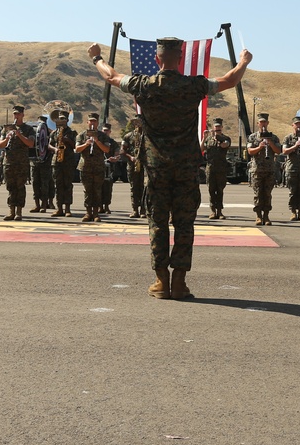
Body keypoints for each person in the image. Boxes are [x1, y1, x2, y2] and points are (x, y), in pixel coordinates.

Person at [91, 38, 251, 300]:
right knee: (184, 224)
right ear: (179, 58)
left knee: (158, 223)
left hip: (156, 169)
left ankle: (161, 281)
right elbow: (230, 80)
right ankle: (179, 282)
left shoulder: (143, 84)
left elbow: (111, 77)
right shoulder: (193, 85)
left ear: (157, 59)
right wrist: (244, 61)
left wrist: (97, 58)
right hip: (186, 168)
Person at [0, 104, 36, 221]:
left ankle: (19, 211)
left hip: (21, 163)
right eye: (15, 114)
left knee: (20, 186)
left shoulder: (28, 129)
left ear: (23, 115)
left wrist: (20, 135)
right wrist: (8, 138)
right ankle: (11, 210)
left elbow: (31, 144)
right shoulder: (6, 128)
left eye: (18, 114)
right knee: (10, 187)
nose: (16, 116)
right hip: (9, 162)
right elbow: (0, 145)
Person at [246, 113, 281, 226]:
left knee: (267, 194)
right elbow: (250, 151)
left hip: (269, 170)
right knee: (257, 193)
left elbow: (278, 151)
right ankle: (258, 216)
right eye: (261, 122)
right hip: (257, 170)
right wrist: (259, 147)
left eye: (265, 122)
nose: (263, 124)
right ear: (258, 123)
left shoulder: (273, 137)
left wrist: (270, 143)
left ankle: (266, 216)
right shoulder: (252, 137)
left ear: (268, 123)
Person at [75, 112, 109, 222]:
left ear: (98, 122)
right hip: (85, 167)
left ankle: (96, 213)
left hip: (98, 167)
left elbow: (107, 150)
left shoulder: (103, 136)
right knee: (87, 190)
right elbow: (77, 149)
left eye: (94, 121)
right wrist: (86, 144)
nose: (92, 123)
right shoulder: (81, 135)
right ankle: (88, 213)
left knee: (97, 190)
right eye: (91, 121)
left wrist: (97, 141)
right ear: (87, 122)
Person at [48, 111, 77, 217]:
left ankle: (68, 209)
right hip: (57, 161)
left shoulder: (72, 132)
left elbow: (75, 146)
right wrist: (55, 149)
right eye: (60, 118)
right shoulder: (54, 133)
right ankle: (59, 208)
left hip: (68, 161)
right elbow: (49, 145)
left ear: (67, 120)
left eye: (63, 118)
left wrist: (68, 140)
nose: (61, 120)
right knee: (58, 185)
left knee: (67, 185)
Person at [202, 118, 232, 219]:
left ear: (222, 128)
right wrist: (204, 137)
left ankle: (219, 211)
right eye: (216, 127)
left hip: (221, 168)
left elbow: (225, 145)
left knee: (220, 189)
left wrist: (217, 137)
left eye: (219, 127)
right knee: (211, 189)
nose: (217, 128)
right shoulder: (209, 139)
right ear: (213, 127)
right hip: (210, 167)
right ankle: (212, 211)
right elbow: (201, 149)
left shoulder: (226, 138)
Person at [121, 116, 146, 218]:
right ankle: (135, 210)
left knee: (145, 188)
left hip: (145, 165)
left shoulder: (147, 136)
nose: (138, 124)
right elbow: (122, 151)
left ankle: (144, 210)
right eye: (137, 122)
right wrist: (130, 157)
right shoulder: (128, 136)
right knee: (134, 187)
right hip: (133, 165)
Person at [30, 116, 54, 213]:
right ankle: (37, 205)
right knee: (35, 183)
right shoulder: (33, 131)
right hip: (35, 161)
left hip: (46, 161)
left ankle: (44, 204)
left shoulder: (50, 132)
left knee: (45, 183)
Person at [100, 122, 121, 215]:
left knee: (107, 188)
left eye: (107, 131)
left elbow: (117, 154)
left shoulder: (113, 143)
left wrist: (115, 158)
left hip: (109, 167)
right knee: (98, 187)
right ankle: (99, 206)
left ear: (110, 132)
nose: (105, 132)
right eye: (104, 130)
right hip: (98, 166)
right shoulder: (98, 141)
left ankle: (106, 206)